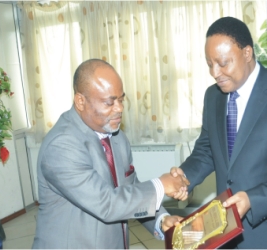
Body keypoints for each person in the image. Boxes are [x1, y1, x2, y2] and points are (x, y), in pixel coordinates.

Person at [171, 16, 267, 248]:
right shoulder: (213, 96)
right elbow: (208, 149)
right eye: (209, 64)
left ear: (247, 53)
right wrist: (185, 177)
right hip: (226, 229)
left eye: (223, 63)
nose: (215, 72)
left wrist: (253, 199)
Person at [32, 59, 189, 249]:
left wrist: (161, 219)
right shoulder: (61, 146)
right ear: (80, 101)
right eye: (109, 102)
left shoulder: (116, 136)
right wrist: (161, 185)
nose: (120, 108)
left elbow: (129, 189)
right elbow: (107, 203)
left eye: (121, 99)